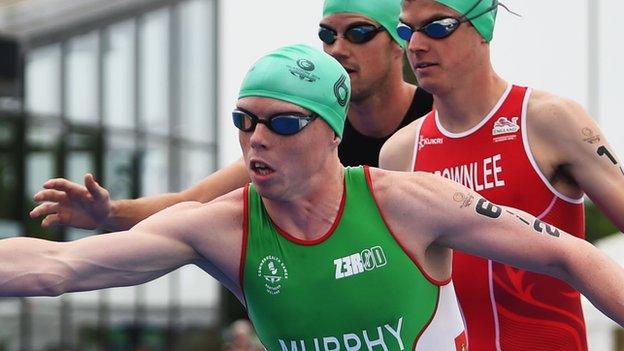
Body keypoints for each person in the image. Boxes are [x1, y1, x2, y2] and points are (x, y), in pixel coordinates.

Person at [3, 44, 624, 351]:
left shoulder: (409, 203)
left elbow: (573, 254)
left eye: (282, 123)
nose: (257, 140)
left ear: (331, 131)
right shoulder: (216, 229)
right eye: (243, 121)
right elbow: (56, 269)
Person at [29, 0, 432, 231]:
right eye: (327, 35)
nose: (338, 48)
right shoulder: (305, 132)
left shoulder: (438, 117)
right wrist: (109, 212)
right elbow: (192, 202)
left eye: (359, 33)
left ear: (400, 41)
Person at [379, 0, 624, 350]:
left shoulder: (548, 121)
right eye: (406, 30)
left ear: (483, 29)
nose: (415, 45)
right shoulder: (400, 153)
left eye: (437, 27)